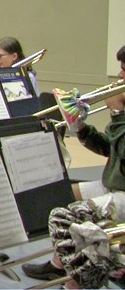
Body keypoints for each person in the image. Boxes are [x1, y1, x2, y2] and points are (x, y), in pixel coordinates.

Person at [22, 45, 125, 283]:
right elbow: (108, 148)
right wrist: (78, 126)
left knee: (68, 218)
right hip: (113, 184)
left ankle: (72, 280)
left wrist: (118, 113)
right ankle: (59, 264)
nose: (120, 77)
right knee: (61, 194)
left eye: (124, 71)